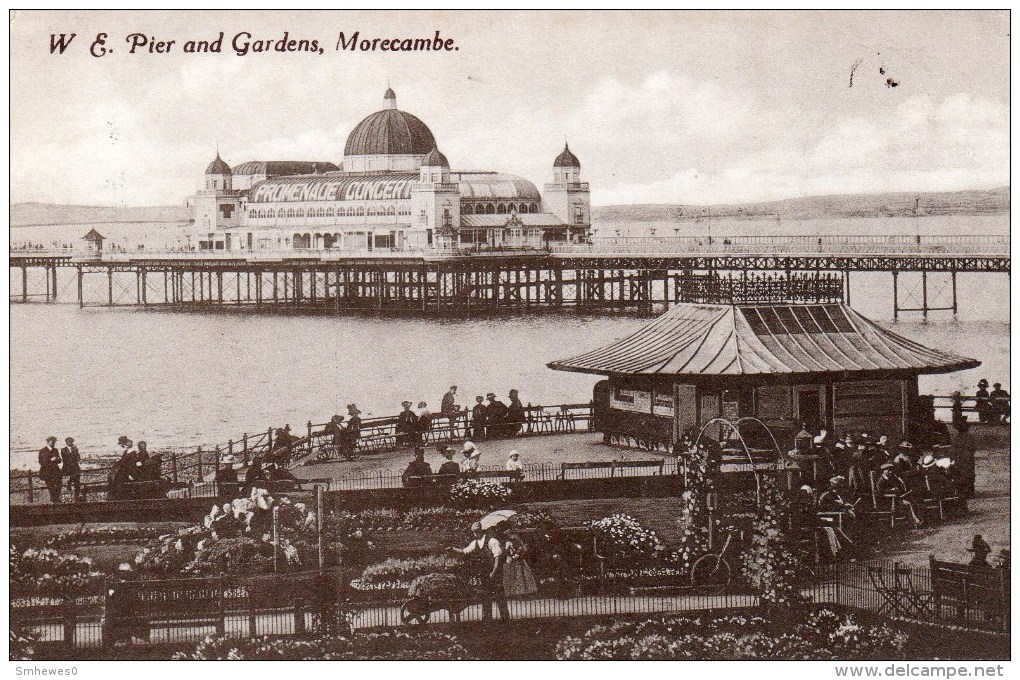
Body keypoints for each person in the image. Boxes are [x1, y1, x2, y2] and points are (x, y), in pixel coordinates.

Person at [449, 522, 509, 622]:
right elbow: (465, 551)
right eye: (474, 532)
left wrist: (493, 572)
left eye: (477, 532)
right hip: (485, 573)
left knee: (499, 597)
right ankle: (487, 620)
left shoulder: (492, 541)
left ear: (482, 530)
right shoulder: (475, 543)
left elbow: (497, 558)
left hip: (495, 573)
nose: (475, 534)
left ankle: (505, 619)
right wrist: (452, 549)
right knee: (486, 596)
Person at [501, 530, 538, 598]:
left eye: (513, 534)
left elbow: (523, 550)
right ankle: (514, 593)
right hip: (511, 560)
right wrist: (510, 556)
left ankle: (523, 592)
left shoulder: (518, 542)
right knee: (514, 575)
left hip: (518, 560)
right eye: (510, 535)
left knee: (521, 575)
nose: (512, 536)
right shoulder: (507, 542)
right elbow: (506, 551)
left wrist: (517, 555)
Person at [951, 420, 977, 498]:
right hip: (968, 459)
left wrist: (953, 458)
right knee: (970, 475)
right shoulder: (970, 437)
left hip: (960, 460)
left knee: (961, 475)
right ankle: (970, 493)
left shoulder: (956, 438)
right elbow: (974, 448)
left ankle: (963, 493)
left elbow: (953, 451)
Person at [38, 436, 63, 503]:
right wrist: (51, 460)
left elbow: (59, 460)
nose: (54, 443)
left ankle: (55, 499)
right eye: (53, 442)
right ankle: (54, 500)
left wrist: (57, 459)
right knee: (51, 487)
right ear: (48, 442)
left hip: (55, 472)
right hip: (47, 472)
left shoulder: (55, 450)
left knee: (59, 484)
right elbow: (41, 462)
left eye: (55, 442)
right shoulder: (42, 451)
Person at [60, 436, 82, 502]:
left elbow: (78, 458)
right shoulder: (63, 450)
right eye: (69, 442)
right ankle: (69, 483)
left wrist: (74, 450)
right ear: (66, 442)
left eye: (71, 442)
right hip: (68, 467)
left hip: (75, 466)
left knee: (77, 479)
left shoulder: (75, 449)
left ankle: (76, 494)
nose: (71, 443)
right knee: (75, 476)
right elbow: (65, 459)